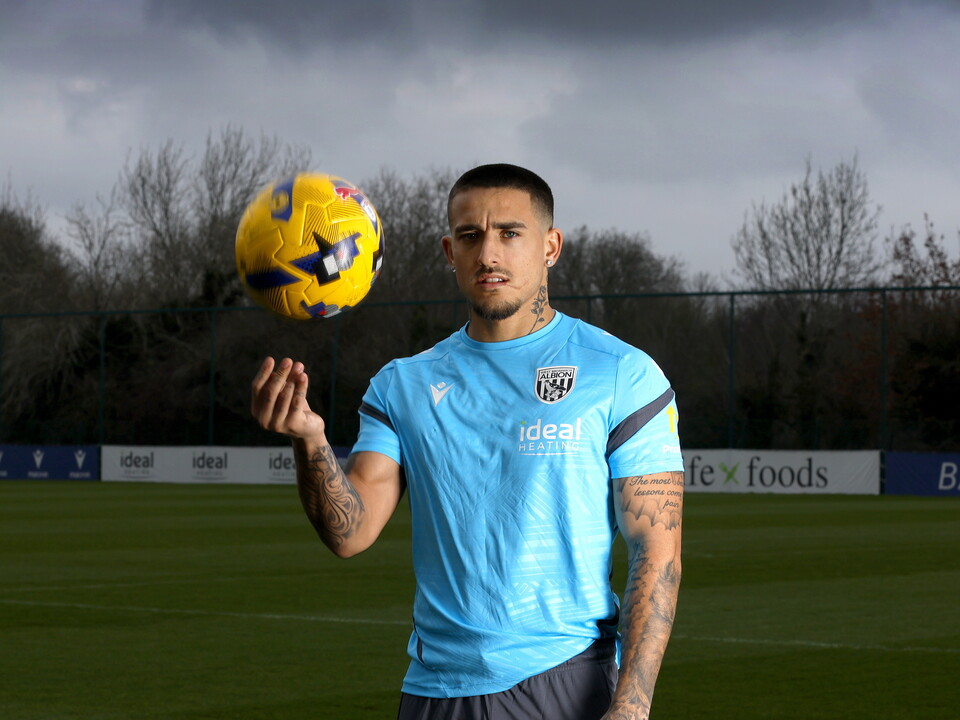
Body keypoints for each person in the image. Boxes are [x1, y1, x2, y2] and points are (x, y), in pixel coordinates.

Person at [251, 164, 684, 720]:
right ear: (449, 251)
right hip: (433, 691)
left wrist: (632, 704)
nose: (488, 254)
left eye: (510, 233)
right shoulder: (403, 385)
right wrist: (310, 442)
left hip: (565, 682)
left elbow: (657, 551)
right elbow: (349, 533)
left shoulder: (620, 373)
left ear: (550, 246)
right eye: (470, 236)